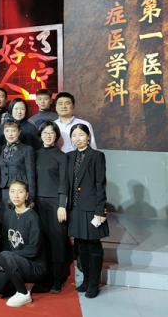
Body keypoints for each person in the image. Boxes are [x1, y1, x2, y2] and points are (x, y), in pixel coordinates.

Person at [0, 180, 45, 307]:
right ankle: (23, 284)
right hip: (12, 262)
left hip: (34, 265)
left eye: (20, 192)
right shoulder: (7, 215)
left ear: (27, 195)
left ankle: (23, 293)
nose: (16, 195)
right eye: (12, 192)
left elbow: (34, 250)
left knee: (4, 255)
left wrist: (8, 257)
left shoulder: (33, 217)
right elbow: (5, 243)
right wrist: (6, 261)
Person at [67, 124, 108, 299]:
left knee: (93, 245)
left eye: (81, 135)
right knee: (80, 245)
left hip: (91, 208)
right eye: (74, 136)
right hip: (75, 208)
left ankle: (94, 283)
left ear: (88, 137)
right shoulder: (69, 156)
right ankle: (85, 279)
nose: (77, 139)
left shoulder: (97, 156)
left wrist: (100, 209)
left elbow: (100, 184)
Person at [35, 121, 68, 292]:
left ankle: (57, 280)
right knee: (41, 241)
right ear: (40, 135)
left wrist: (62, 205)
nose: (48, 135)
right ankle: (43, 278)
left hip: (55, 203)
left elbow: (64, 183)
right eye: (45, 132)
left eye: (51, 132)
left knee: (57, 241)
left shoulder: (62, 156)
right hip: (37, 204)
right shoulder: (35, 154)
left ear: (56, 136)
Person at [0, 122, 36, 207]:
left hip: (20, 191)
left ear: (19, 132)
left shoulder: (27, 149)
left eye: (13, 131)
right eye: (7, 131)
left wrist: (31, 197)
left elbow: (31, 174)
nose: (10, 134)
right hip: (3, 192)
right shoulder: (1, 149)